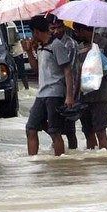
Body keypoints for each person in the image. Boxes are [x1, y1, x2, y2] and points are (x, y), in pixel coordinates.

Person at [23, 15, 75, 156]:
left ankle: (60, 162)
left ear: (36, 31)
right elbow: (36, 70)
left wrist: (69, 96)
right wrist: (29, 52)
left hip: (55, 93)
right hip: (41, 94)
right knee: (31, 128)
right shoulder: (41, 47)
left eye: (32, 32)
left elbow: (67, 70)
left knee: (54, 131)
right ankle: (32, 161)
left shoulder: (56, 45)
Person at [73, 22, 107, 150]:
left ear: (83, 30)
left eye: (77, 31)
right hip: (84, 96)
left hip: (101, 96)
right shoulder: (80, 47)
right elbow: (77, 72)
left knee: (100, 130)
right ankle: (93, 161)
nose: (76, 34)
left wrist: (96, 56)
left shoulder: (105, 44)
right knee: (88, 132)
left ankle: (104, 159)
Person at [50, 17, 80, 150]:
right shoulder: (51, 43)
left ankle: (72, 155)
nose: (56, 31)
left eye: (59, 27)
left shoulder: (70, 44)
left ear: (64, 27)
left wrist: (70, 95)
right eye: (53, 28)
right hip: (55, 90)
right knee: (55, 127)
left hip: (68, 90)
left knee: (70, 130)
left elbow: (70, 70)